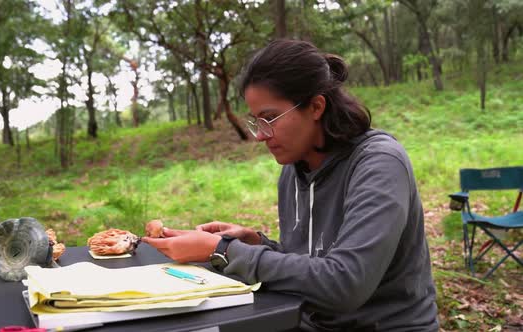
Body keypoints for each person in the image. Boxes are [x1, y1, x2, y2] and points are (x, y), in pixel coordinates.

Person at [142, 39, 439, 331]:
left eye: (270, 118)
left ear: (316, 106)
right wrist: (257, 244)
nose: (260, 136)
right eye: (256, 121)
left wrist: (223, 251)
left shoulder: (378, 163)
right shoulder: (295, 168)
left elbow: (346, 284)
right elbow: (313, 260)